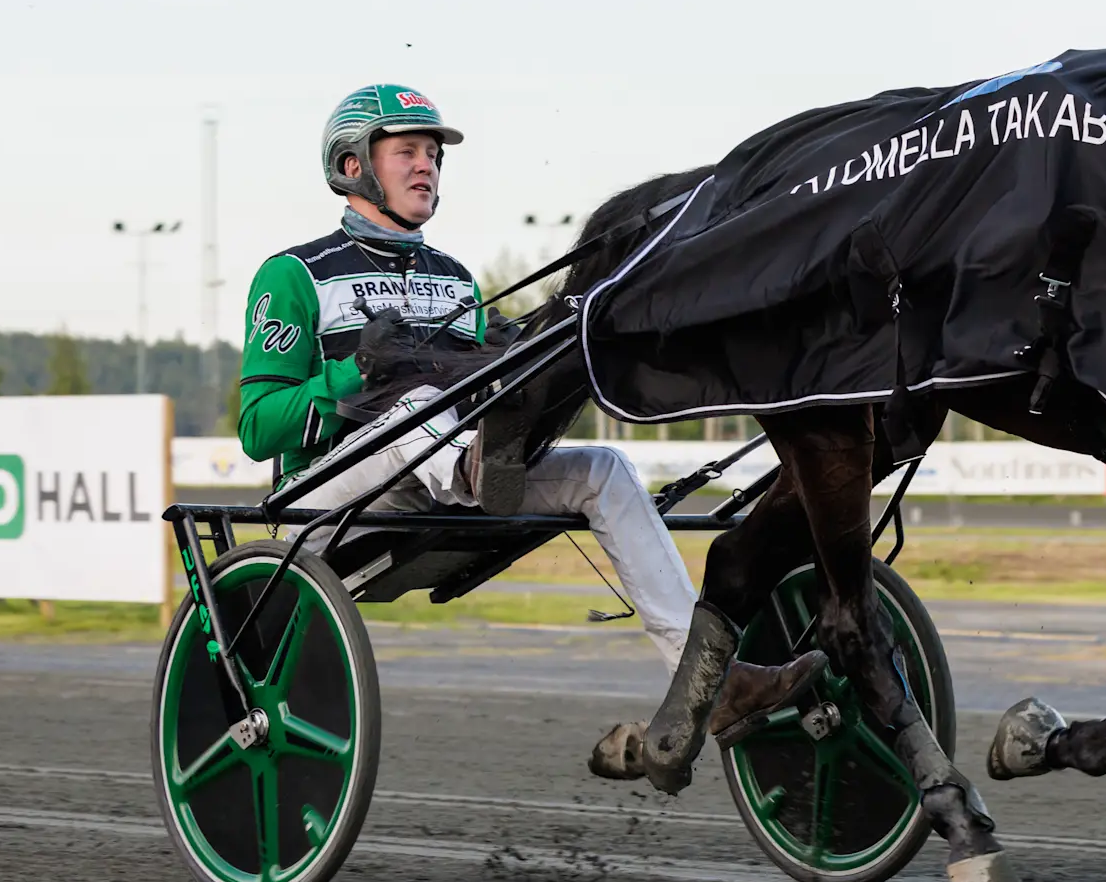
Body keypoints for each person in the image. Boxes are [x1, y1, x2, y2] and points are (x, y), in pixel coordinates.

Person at [235, 83, 822, 780]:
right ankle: (470, 471)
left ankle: (709, 684)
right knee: (412, 403)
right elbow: (256, 425)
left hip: (441, 479)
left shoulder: (455, 281)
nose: (426, 166)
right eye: (407, 152)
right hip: (327, 499)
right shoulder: (294, 274)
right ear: (354, 166)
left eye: (431, 153)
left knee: (603, 468)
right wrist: (353, 373)